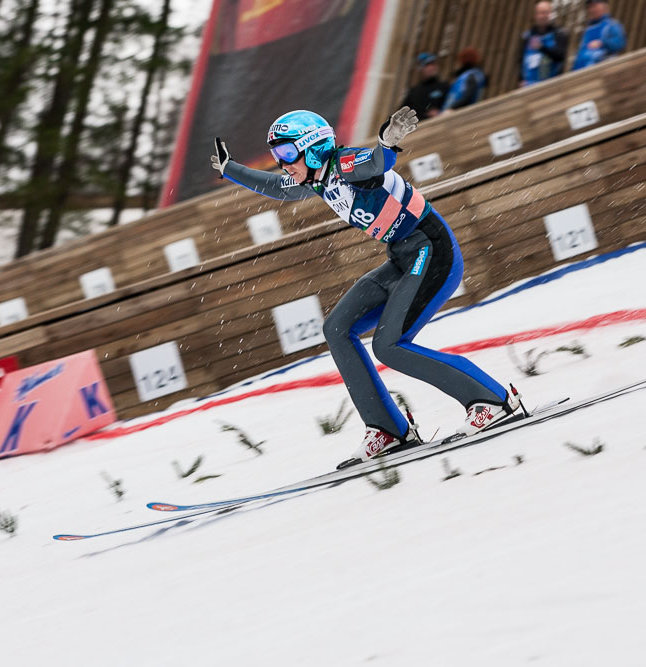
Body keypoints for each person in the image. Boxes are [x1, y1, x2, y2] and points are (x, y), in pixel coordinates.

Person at [211, 108, 524, 468]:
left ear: (312, 149)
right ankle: (387, 429)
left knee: (389, 346)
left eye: (285, 153)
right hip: (404, 257)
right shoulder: (315, 178)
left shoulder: (343, 164)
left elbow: (375, 164)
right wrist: (229, 168)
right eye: (276, 155)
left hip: (432, 252)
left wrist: (386, 141)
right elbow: (277, 188)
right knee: (337, 328)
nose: (282, 164)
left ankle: (493, 401)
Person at [519, 0, 570, 86]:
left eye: (545, 13)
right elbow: (521, 59)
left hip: (550, 86)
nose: (542, 16)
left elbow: (560, 56)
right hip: (529, 86)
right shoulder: (527, 35)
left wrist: (541, 47)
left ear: (550, 14)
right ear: (535, 15)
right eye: (539, 13)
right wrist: (520, 78)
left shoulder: (559, 33)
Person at [572, 0, 626, 71]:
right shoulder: (587, 30)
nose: (592, 9)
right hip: (581, 72)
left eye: (595, 6)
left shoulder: (612, 25)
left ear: (604, 6)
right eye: (590, 7)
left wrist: (602, 43)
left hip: (603, 70)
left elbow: (620, 43)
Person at [400, 53, 449, 119]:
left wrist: (440, 112)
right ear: (420, 68)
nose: (432, 67)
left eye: (433, 64)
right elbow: (402, 114)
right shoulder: (414, 92)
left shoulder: (444, 87)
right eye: (428, 65)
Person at [442, 48, 486, 112]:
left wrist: (452, 108)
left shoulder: (471, 75)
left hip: (457, 110)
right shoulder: (473, 74)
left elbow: (467, 96)